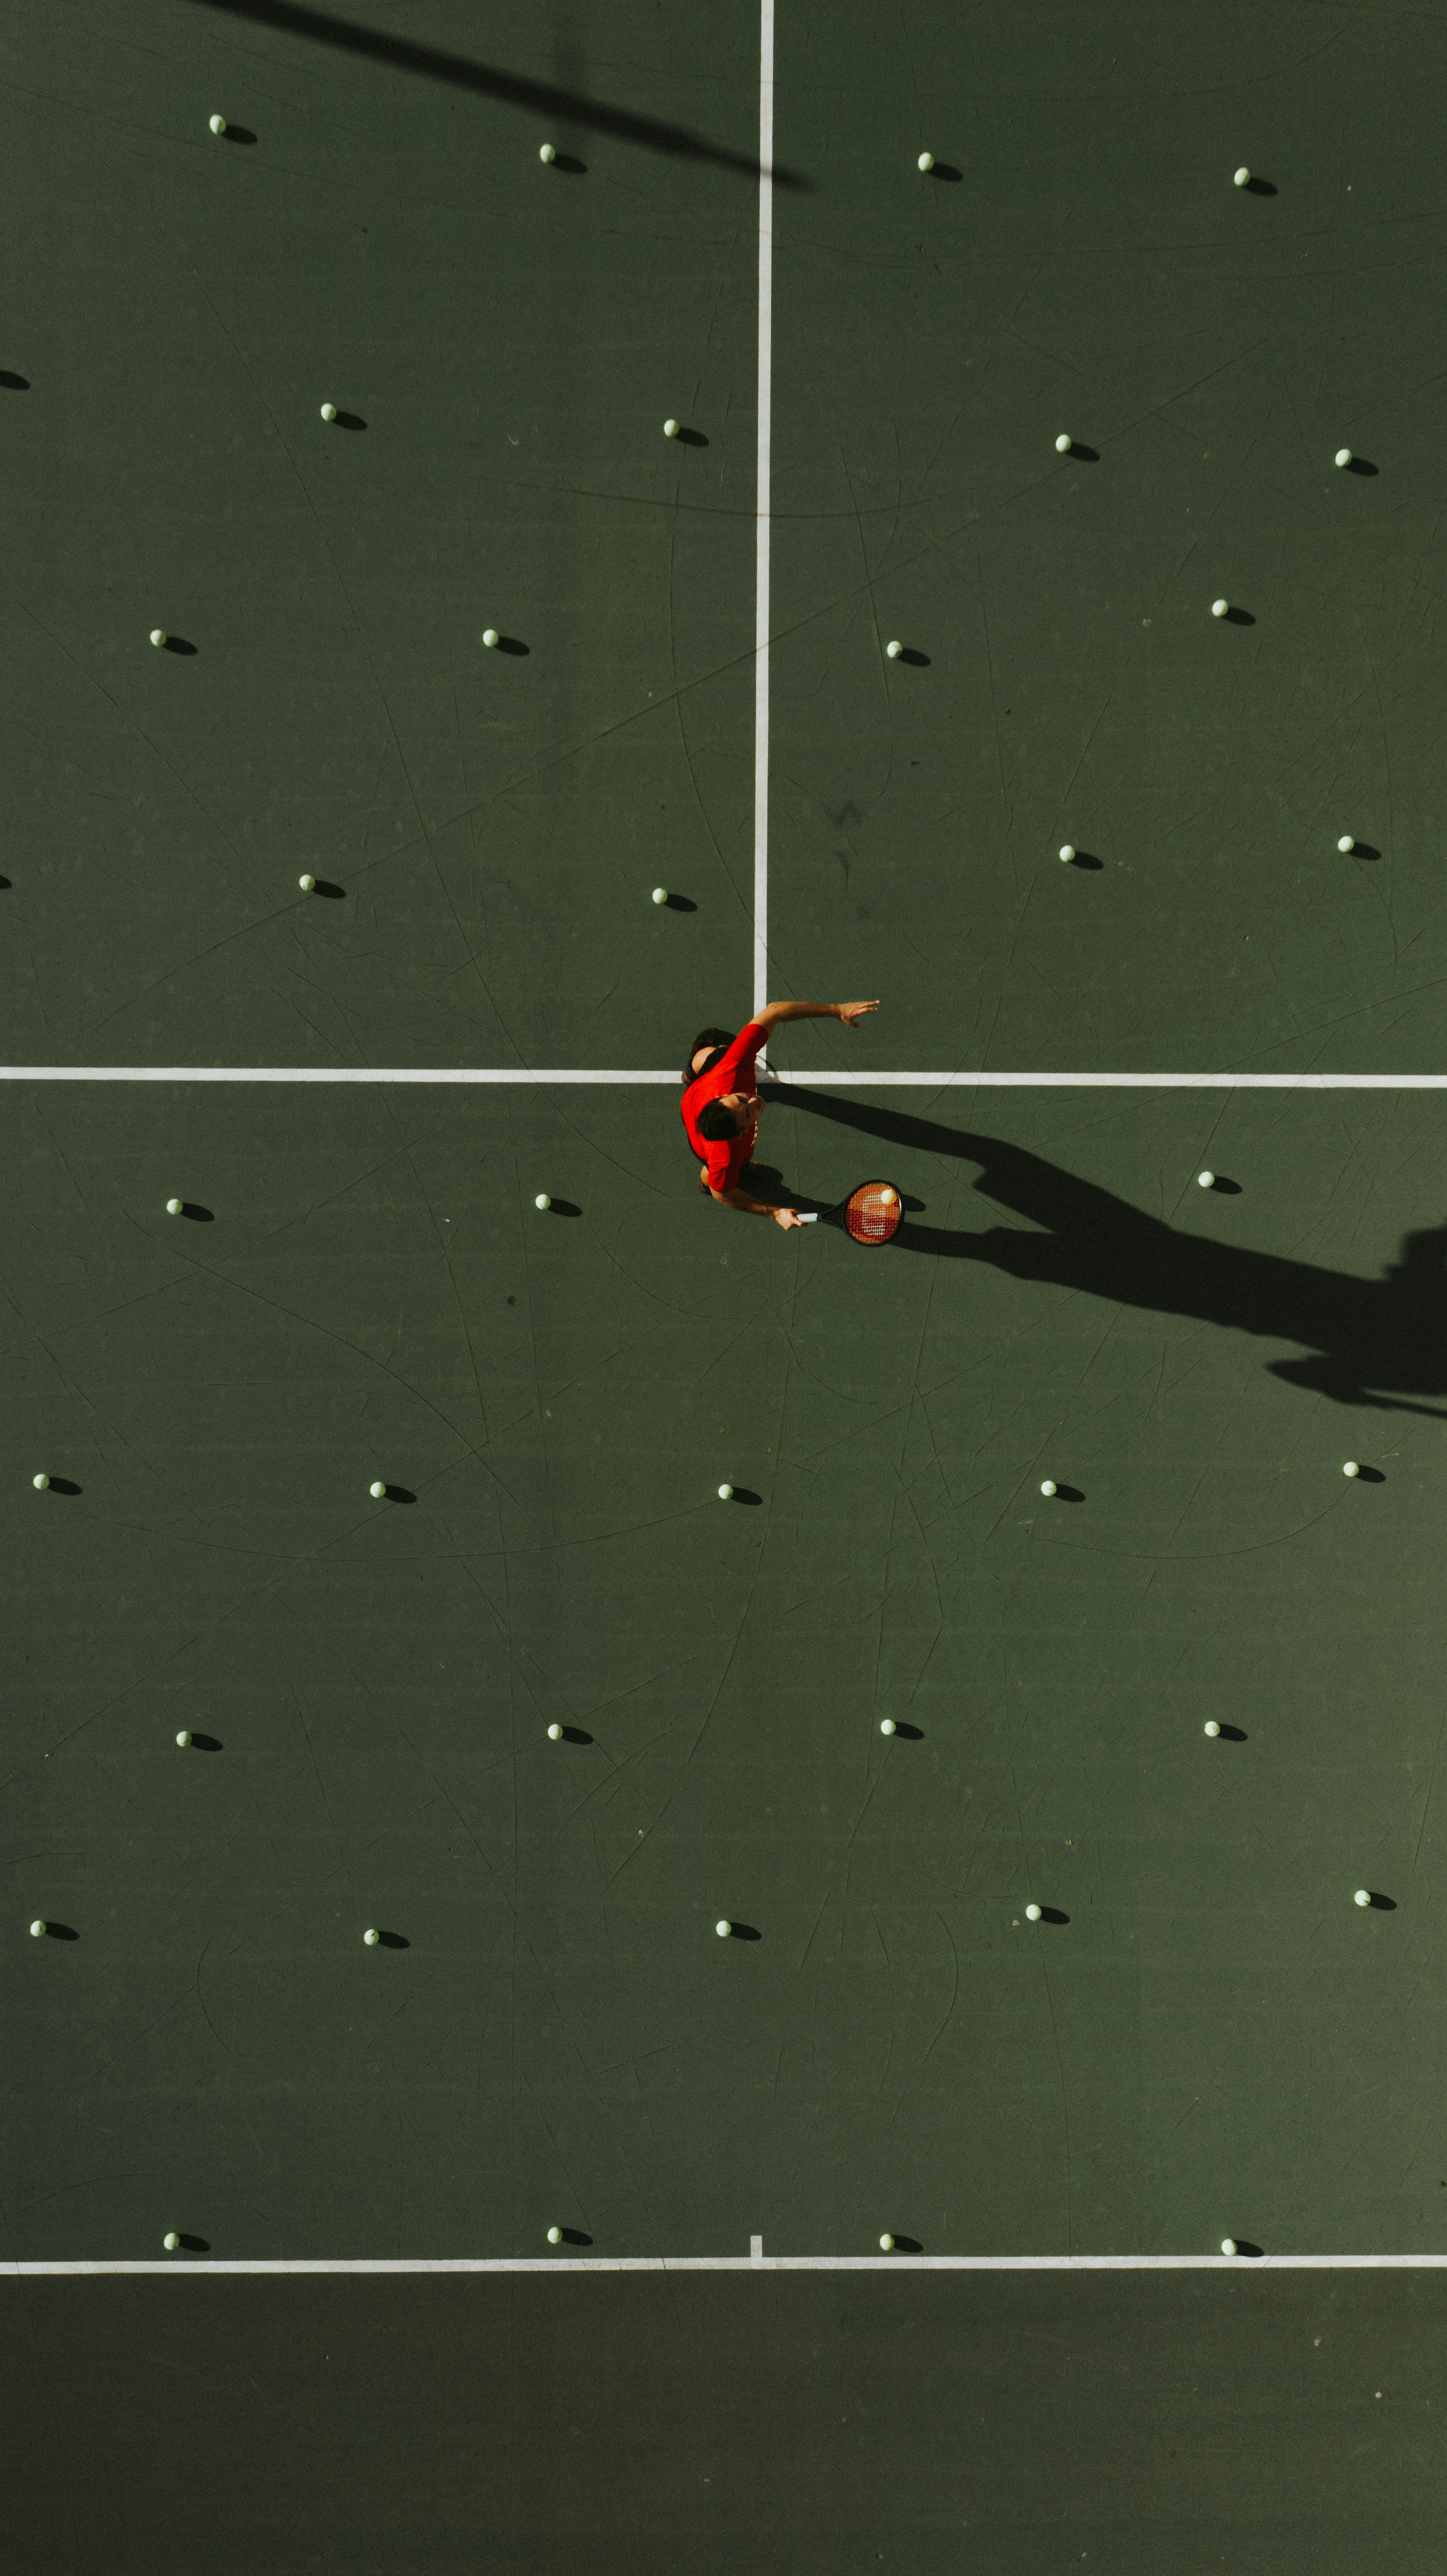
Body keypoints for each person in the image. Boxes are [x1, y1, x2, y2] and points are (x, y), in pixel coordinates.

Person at [681, 998, 879, 1224]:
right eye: (748, 1114)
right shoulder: (726, 1155)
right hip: (704, 1141)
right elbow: (722, 1194)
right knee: (718, 1177)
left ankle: (691, 1072)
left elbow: (774, 1011)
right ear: (742, 1133)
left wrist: (836, 1010)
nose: (754, 1101)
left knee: (717, 1049)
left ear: (722, 1097)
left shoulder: (734, 1066)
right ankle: (705, 1182)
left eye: (741, 1099)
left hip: (697, 1095)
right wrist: (772, 1211)